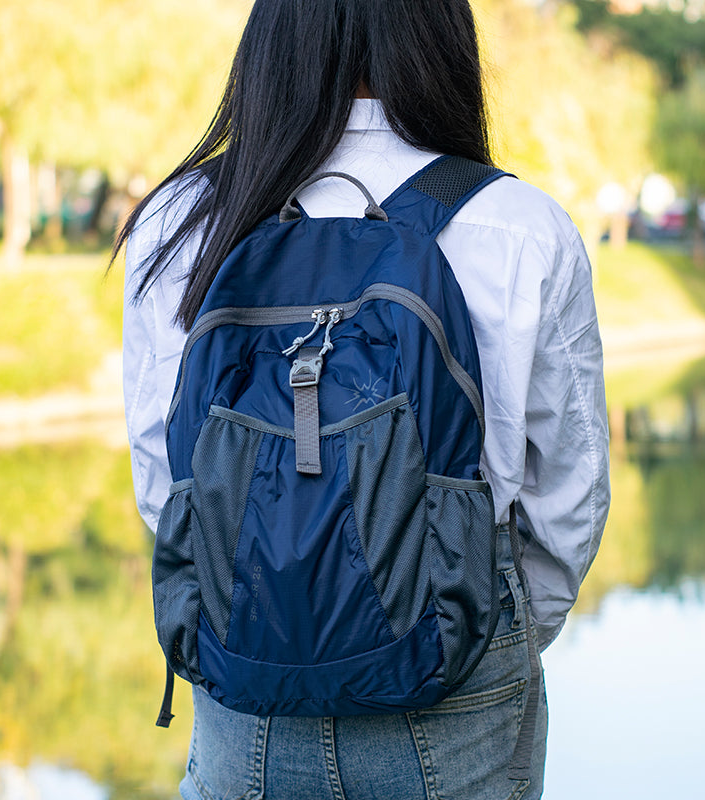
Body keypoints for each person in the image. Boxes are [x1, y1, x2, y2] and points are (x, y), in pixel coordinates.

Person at [115, 1, 610, 798]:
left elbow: (163, 480)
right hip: (455, 669)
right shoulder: (519, 224)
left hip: (244, 666)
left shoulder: (180, 221)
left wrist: (267, 602)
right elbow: (569, 496)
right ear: (441, 37)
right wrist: (491, 628)